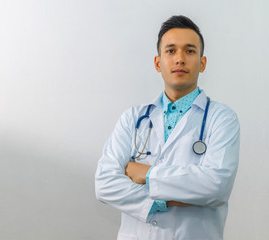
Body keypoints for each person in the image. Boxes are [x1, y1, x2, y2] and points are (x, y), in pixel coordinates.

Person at [95, 15, 240, 240]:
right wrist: (165, 201)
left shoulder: (221, 118)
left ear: (202, 63)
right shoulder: (133, 118)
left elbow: (216, 186)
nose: (179, 59)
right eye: (171, 51)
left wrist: (147, 174)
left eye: (190, 51)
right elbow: (105, 184)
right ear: (158, 62)